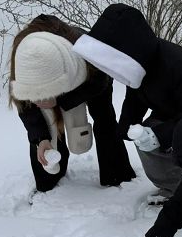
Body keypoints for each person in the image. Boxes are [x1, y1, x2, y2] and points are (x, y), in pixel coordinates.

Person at [72, 3, 182, 207]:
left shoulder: (180, 64)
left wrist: (160, 135)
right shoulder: (138, 64)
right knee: (145, 137)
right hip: (171, 109)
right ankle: (174, 188)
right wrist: (127, 127)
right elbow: (135, 98)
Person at [9, 15, 135, 192]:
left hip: (90, 75)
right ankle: (49, 176)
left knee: (104, 117)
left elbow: (100, 82)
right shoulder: (25, 57)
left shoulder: (86, 48)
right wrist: (41, 139)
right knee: (44, 125)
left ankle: (117, 173)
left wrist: (61, 100)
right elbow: (26, 106)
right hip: (54, 71)